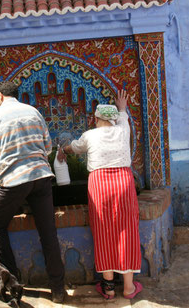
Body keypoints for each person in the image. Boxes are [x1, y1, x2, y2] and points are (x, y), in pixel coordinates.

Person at [0, 81, 66, 303]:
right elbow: (47, 148)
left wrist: (2, 164)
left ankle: (13, 283)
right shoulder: (33, 111)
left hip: (14, 180)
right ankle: (58, 289)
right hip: (42, 177)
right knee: (48, 233)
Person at [57, 89, 142, 300]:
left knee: (103, 231)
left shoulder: (89, 135)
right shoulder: (123, 130)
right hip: (123, 181)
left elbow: (73, 148)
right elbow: (123, 116)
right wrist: (122, 107)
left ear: (95, 119)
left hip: (100, 184)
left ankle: (109, 288)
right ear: (113, 119)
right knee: (127, 229)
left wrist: (62, 151)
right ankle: (129, 288)